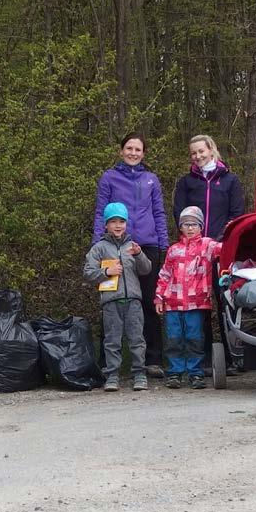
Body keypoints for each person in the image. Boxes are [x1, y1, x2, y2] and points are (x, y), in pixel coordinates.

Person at [93, 132, 169, 378]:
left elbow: (158, 211)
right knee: (110, 302)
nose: (133, 153)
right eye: (129, 148)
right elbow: (100, 211)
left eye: (138, 149)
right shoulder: (109, 177)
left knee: (148, 302)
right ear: (121, 151)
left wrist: (163, 245)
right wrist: (98, 244)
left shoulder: (151, 179)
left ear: (143, 153)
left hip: (146, 246)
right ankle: (108, 364)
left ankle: (153, 360)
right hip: (113, 246)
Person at [171, 134, 245, 375]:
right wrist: (194, 242)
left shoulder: (230, 180)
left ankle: (233, 357)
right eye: (193, 153)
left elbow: (237, 214)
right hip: (193, 254)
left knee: (226, 302)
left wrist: (221, 241)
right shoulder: (186, 183)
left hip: (221, 251)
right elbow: (180, 216)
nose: (198, 156)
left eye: (201, 151)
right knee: (197, 306)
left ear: (211, 150)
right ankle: (200, 360)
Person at [84, 202, 153, 392]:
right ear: (106, 225)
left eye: (121, 221)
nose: (117, 225)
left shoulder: (133, 246)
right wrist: (107, 271)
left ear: (126, 223)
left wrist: (139, 254)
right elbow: (88, 273)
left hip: (133, 302)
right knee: (112, 341)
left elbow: (146, 269)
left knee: (137, 339)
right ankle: (112, 375)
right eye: (113, 221)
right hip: (111, 303)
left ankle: (139, 374)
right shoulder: (99, 248)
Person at [154, 206, 220, 390]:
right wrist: (159, 297)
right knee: (173, 338)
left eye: (194, 224)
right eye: (186, 224)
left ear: (201, 226)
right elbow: (165, 274)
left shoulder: (208, 245)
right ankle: (174, 372)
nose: (190, 228)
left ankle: (195, 373)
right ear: (180, 227)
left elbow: (226, 249)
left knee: (194, 337)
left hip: (196, 302)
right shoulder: (173, 250)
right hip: (173, 302)